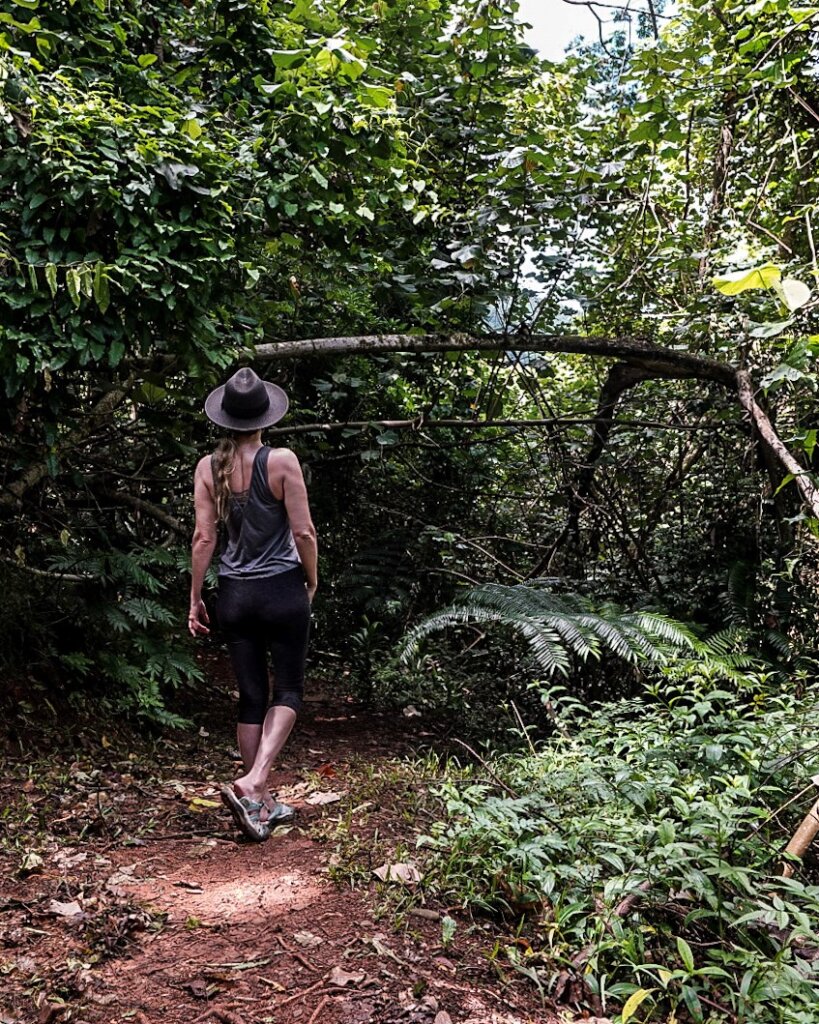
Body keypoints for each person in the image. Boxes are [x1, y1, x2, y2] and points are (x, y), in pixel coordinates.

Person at [188, 367, 318, 842]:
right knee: (288, 690)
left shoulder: (209, 467)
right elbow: (303, 532)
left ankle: (257, 806)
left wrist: (196, 598)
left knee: (250, 696)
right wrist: (312, 581)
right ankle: (257, 780)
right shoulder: (282, 461)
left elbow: (205, 538)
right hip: (281, 589)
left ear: (226, 418)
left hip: (235, 594)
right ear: (265, 417)